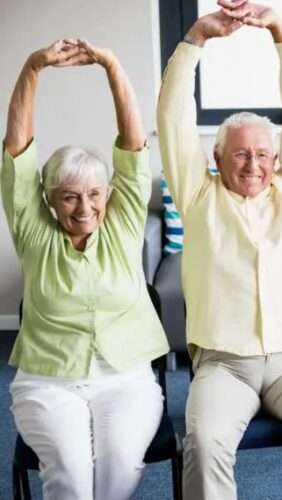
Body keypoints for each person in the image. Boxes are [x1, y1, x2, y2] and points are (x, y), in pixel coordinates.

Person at [156, 2, 282, 499]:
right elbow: (172, 117)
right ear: (217, 157)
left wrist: (280, 35)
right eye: (242, 153)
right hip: (225, 364)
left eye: (264, 154)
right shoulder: (199, 197)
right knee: (204, 443)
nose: (254, 164)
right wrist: (194, 41)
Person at [2, 39, 169, 499]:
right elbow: (16, 152)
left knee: (119, 468)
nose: (84, 207)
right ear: (50, 201)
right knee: (72, 476)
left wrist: (112, 65)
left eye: (94, 194)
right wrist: (33, 67)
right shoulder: (35, 235)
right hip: (49, 381)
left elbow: (133, 149)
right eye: (70, 196)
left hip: (126, 378)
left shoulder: (123, 227)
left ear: (107, 197)